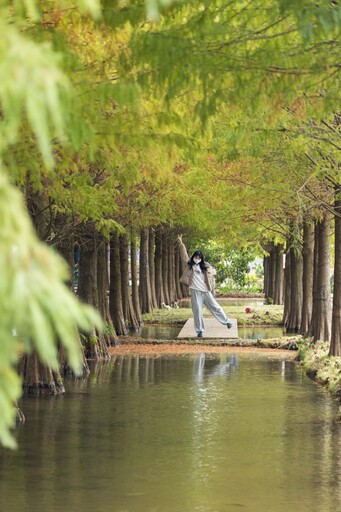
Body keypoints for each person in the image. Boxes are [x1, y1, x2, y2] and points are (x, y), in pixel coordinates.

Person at [177, 235, 232, 337]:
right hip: (195, 291)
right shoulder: (189, 265)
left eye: (199, 257)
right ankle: (200, 331)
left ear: (201, 258)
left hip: (206, 291)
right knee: (197, 312)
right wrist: (181, 243)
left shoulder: (206, 266)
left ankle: (227, 321)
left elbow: (211, 280)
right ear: (193, 257)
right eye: (196, 257)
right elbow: (183, 255)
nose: (197, 259)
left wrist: (213, 290)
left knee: (216, 308)